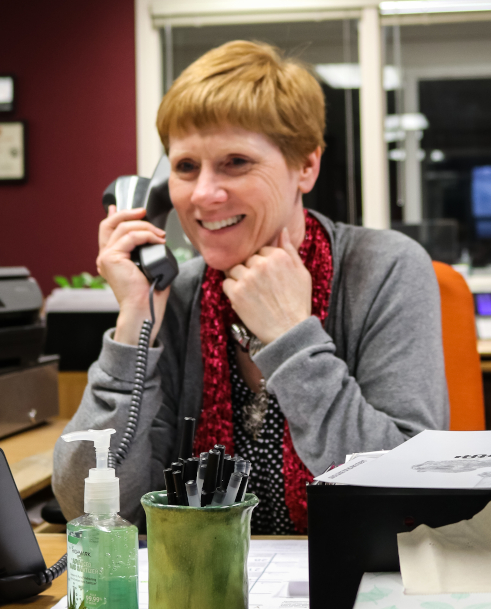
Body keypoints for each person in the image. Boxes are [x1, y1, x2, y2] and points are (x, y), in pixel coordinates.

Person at [53, 40, 448, 533]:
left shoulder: (384, 269)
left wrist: (292, 340)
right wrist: (136, 320)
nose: (203, 195)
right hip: (207, 584)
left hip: (350, 580)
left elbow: (409, 495)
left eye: (235, 162)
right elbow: (92, 510)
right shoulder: (176, 296)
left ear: (305, 166)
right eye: (185, 167)